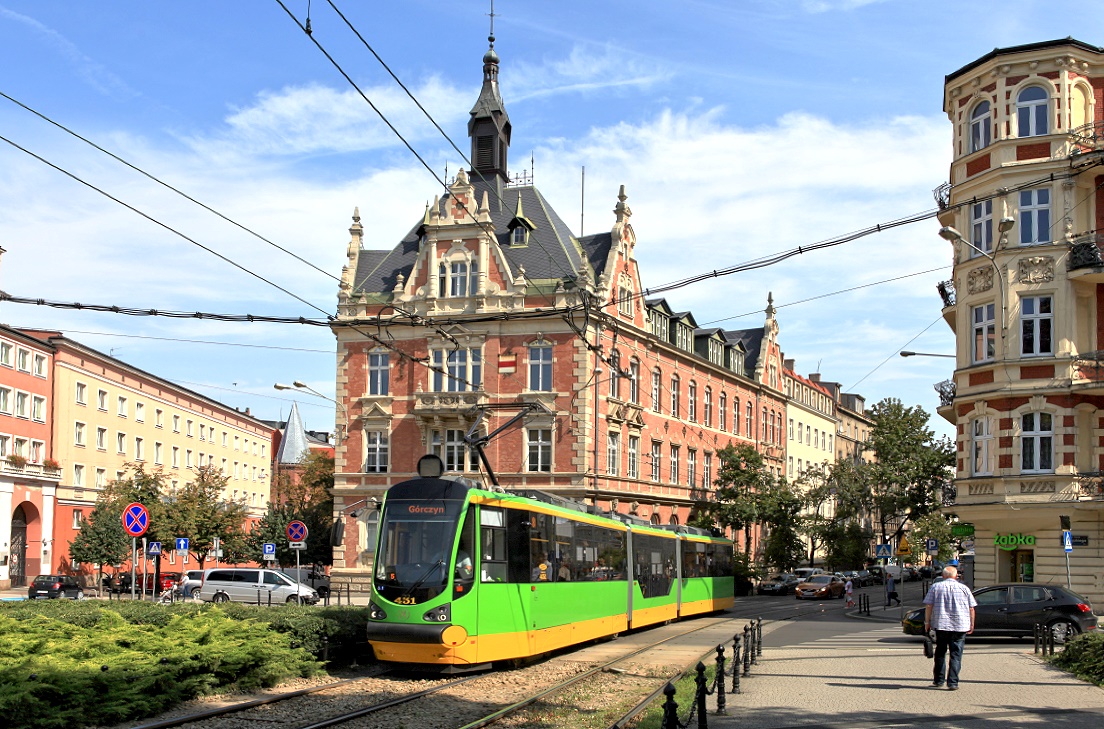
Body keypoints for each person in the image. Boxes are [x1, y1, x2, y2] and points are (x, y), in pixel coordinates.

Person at [923, 565, 976, 690]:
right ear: (956, 576)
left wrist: (927, 622)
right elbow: (971, 608)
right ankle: (953, 682)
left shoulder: (935, 587)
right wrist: (971, 624)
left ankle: (939, 680)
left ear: (943, 576)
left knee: (940, 653)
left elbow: (929, 606)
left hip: (941, 625)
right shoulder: (964, 588)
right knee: (956, 655)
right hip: (960, 626)